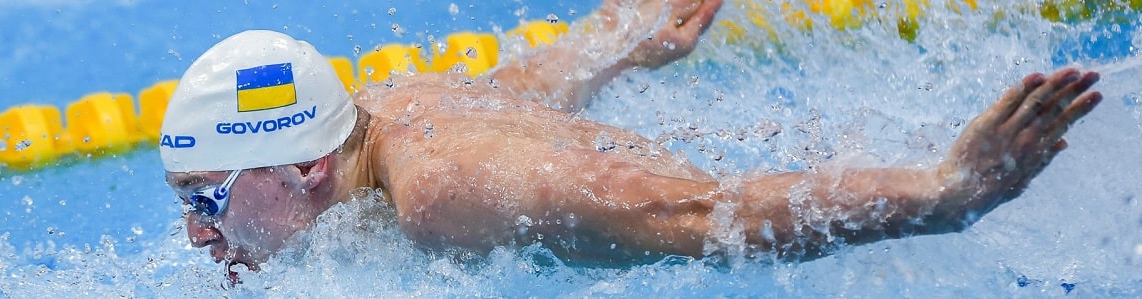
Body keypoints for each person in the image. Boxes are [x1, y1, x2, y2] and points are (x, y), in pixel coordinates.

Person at [159, 0, 1103, 279]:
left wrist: (944, 194)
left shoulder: (442, 194)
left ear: (307, 164)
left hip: (745, 194)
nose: (198, 233)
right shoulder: (378, 107)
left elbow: (706, 217)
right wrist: (620, 40)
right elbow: (502, 90)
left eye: (207, 198)